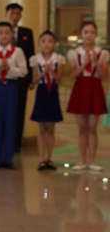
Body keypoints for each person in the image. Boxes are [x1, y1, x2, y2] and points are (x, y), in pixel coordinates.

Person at [0, 3, 35, 153]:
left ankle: (15, 145)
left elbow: (30, 56)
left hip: (19, 80)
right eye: (12, 13)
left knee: (18, 112)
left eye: (18, 13)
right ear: (6, 14)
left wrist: (31, 78)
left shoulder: (27, 32)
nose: (15, 16)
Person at [0, 21, 28, 170]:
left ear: (12, 35)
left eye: (7, 32)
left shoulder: (17, 51)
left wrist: (11, 69)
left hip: (11, 87)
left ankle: (8, 158)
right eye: (1, 32)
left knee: (10, 121)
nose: (4, 35)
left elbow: (24, 71)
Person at [66, 22, 109, 171]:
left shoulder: (102, 53)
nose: (89, 35)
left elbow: (104, 76)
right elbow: (72, 75)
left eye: (92, 32)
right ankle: (82, 160)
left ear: (96, 35)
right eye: (86, 32)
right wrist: (84, 63)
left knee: (92, 127)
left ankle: (92, 160)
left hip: (95, 89)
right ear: (81, 34)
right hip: (80, 88)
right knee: (82, 127)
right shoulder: (74, 53)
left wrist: (96, 62)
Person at [30, 30, 65, 171]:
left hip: (53, 92)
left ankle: (49, 157)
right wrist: (44, 72)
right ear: (40, 43)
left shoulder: (58, 59)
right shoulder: (36, 59)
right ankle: (41, 158)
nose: (47, 44)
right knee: (41, 127)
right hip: (42, 91)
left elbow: (60, 79)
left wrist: (52, 71)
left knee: (51, 127)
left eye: (50, 41)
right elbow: (34, 80)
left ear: (54, 44)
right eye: (44, 41)